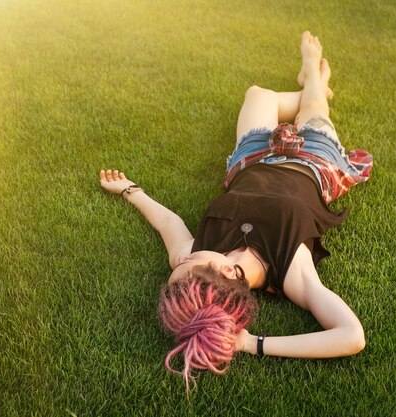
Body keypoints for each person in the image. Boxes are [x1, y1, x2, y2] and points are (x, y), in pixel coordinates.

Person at [99, 31, 372, 390]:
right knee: (314, 111)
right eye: (186, 264)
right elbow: (351, 335)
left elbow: (168, 221)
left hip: (251, 158)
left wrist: (130, 190)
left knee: (257, 94)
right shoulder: (291, 270)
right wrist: (252, 344)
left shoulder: (192, 257)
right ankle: (313, 79)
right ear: (226, 269)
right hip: (314, 159)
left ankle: (312, 86)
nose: (180, 258)